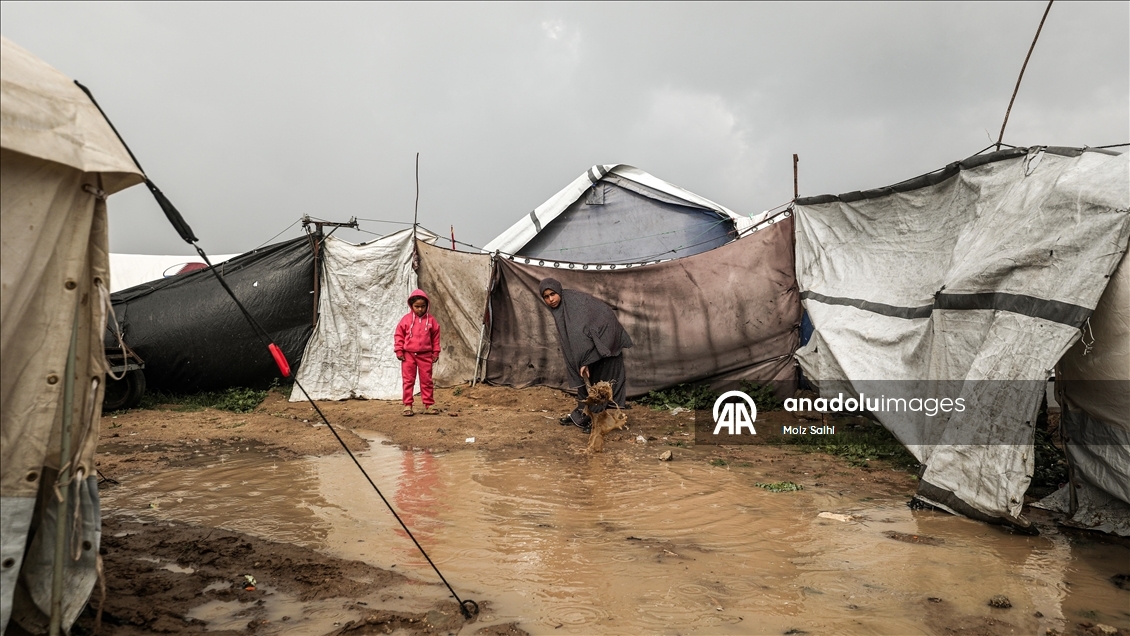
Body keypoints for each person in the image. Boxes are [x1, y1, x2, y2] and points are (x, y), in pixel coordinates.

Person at [538, 278, 633, 432]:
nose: (551, 299)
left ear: (558, 291)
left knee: (602, 380)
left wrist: (584, 361)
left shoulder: (573, 304)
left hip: (606, 338)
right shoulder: (562, 307)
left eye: (553, 294)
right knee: (584, 378)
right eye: (546, 297)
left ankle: (598, 421)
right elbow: (573, 339)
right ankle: (584, 415)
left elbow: (580, 335)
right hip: (592, 342)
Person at [395, 289, 441, 416]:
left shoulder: (431, 321)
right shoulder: (406, 320)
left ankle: (429, 404)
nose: (420, 309)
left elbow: (436, 338)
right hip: (408, 355)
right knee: (408, 380)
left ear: (427, 305)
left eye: (423, 306)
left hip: (425, 355)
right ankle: (408, 405)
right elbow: (399, 335)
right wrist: (399, 350)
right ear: (411, 306)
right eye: (417, 306)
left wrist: (435, 352)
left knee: (427, 380)